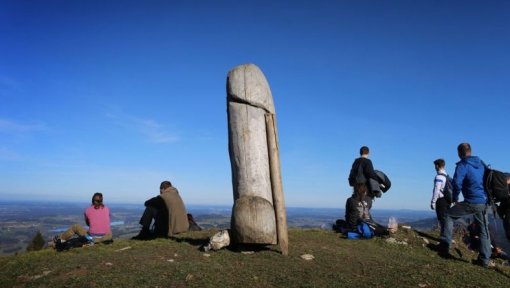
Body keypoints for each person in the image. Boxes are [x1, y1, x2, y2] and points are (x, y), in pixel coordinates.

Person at [440, 143, 492, 267]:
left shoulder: (463, 165)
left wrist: (455, 197)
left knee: (448, 216)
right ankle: (484, 260)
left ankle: (444, 247)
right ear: (470, 151)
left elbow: (457, 183)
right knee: (483, 230)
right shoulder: (481, 163)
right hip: (483, 202)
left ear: (459, 152)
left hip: (471, 201)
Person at [431, 159, 451, 236]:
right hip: (447, 200)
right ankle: (446, 237)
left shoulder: (439, 177)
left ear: (437, 166)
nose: (434, 168)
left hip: (441, 200)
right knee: (445, 219)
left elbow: (436, 190)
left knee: (442, 220)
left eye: (435, 166)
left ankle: (444, 238)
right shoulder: (447, 176)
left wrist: (433, 202)